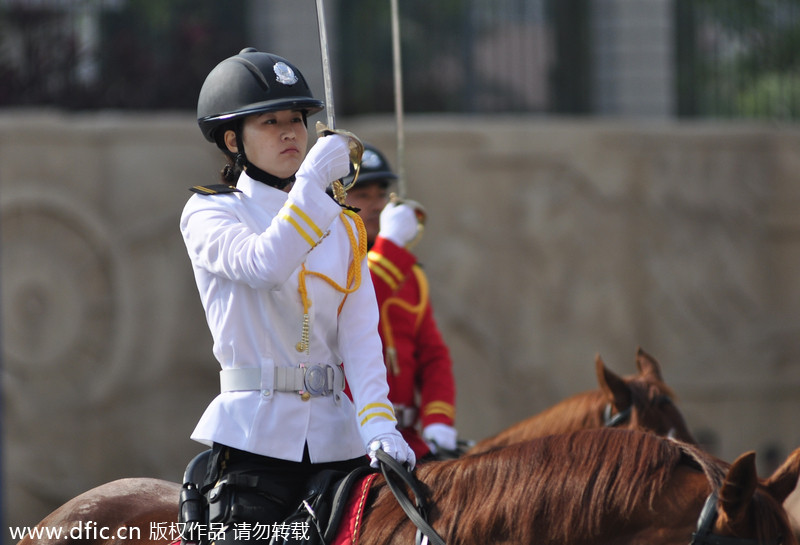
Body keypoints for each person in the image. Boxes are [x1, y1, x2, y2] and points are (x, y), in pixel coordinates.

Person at [180, 48, 414, 542]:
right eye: (270, 122)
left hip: (338, 441)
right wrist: (312, 183)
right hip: (255, 439)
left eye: (298, 120)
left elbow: (361, 339)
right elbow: (264, 264)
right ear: (232, 138)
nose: (290, 132)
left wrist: (379, 426)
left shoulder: (344, 227)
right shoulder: (210, 213)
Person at [342, 144, 457, 461]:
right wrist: (390, 247)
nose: (377, 205)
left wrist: (438, 419)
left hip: (406, 437)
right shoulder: (327, 266)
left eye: (381, 194)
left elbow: (434, 355)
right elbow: (357, 302)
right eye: (362, 195)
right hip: (349, 437)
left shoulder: (409, 274)